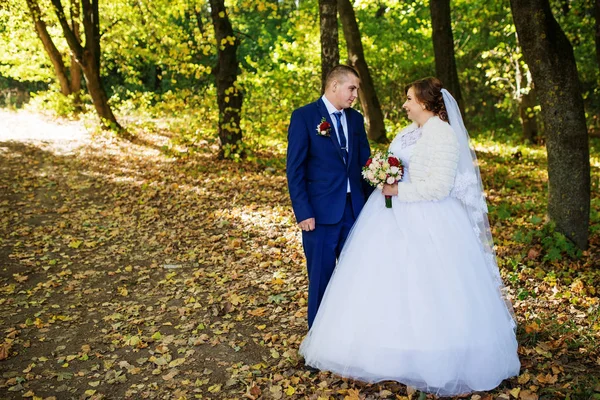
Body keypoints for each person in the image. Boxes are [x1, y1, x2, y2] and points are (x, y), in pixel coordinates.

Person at [299, 77, 520, 396]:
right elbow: (395, 165)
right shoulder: (407, 133)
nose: (405, 104)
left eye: (409, 99)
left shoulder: (442, 135)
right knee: (382, 282)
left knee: (427, 286)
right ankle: (381, 347)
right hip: (388, 216)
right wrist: (382, 174)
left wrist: (397, 188)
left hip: (430, 219)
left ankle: (431, 354)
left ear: (426, 104)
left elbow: (438, 187)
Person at [286, 65, 372, 329]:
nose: (355, 94)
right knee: (321, 279)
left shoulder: (356, 120)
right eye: (352, 88)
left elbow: (365, 165)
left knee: (354, 277)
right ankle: (318, 344)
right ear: (334, 85)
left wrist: (375, 204)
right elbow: (295, 169)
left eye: (356, 89)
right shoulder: (304, 117)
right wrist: (303, 212)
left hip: (354, 211)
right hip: (320, 215)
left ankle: (348, 339)